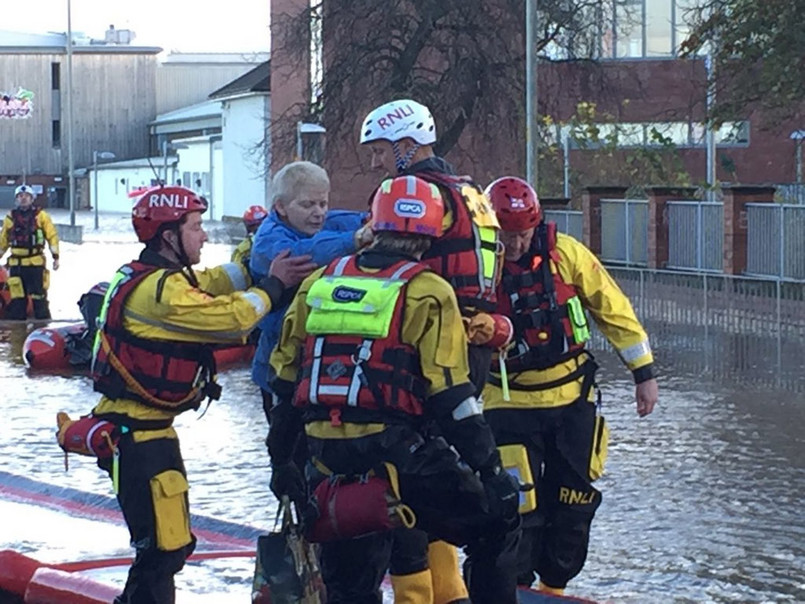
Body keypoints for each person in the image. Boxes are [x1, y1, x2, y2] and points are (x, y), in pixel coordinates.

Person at [267, 175, 522, 604]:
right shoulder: (428, 291)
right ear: (432, 233)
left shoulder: (320, 282)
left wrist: (283, 464)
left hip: (327, 461)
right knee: (497, 524)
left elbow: (284, 384)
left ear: (375, 226)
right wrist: (491, 472)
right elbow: (451, 398)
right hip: (399, 455)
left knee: (349, 586)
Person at [70, 185, 315, 604]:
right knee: (162, 553)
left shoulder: (153, 277)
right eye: (196, 227)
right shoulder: (159, 292)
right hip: (139, 438)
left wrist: (251, 257)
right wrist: (274, 284)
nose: (203, 235)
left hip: (145, 433)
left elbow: (212, 281)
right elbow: (232, 320)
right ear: (169, 237)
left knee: (169, 547)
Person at [360, 99, 512, 603]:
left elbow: (382, 252)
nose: (378, 163)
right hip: (472, 347)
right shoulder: (471, 192)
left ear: (406, 146)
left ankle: (418, 595)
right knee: (450, 471)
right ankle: (452, 591)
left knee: (404, 485)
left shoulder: (411, 191)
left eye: (381, 151)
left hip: (426, 344)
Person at [482, 176, 660, 595]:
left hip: (569, 401)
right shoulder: (475, 265)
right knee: (515, 505)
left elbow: (613, 311)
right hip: (506, 403)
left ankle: (555, 588)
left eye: (523, 235)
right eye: (508, 236)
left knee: (572, 503)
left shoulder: (567, 254)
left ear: (536, 224)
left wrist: (644, 374)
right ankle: (516, 587)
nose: (517, 245)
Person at [249, 161, 371, 421]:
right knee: (285, 443)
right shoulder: (268, 240)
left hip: (310, 356)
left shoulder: (316, 222)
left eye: (323, 204)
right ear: (280, 207)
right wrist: (357, 239)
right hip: (276, 362)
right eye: (308, 205)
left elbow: (350, 218)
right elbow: (308, 254)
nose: (318, 213)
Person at [0, 184, 60, 319]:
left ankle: (42, 327)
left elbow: (52, 236)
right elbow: (3, 240)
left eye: (26, 196)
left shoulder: (41, 217)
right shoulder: (10, 218)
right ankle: (17, 336)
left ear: (32, 199)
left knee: (39, 299)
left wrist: (55, 256)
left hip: (35, 265)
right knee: (17, 301)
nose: (23, 199)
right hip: (17, 266)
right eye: (20, 196)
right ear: (16, 199)